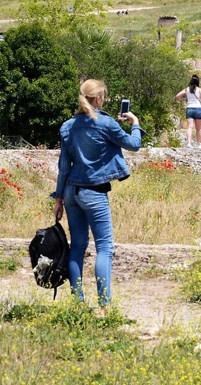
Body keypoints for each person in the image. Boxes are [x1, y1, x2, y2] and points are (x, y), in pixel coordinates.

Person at [51, 79, 142, 313]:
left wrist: (59, 198)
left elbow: (63, 166)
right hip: (93, 191)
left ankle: (77, 302)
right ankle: (104, 306)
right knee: (104, 248)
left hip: (71, 191)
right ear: (99, 98)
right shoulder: (106, 123)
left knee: (78, 246)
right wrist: (135, 123)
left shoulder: (68, 126)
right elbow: (134, 145)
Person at [176, 74, 201, 148]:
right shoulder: (199, 90)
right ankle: (199, 144)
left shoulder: (187, 89)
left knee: (190, 127)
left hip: (189, 108)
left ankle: (189, 144)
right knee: (198, 128)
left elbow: (178, 96)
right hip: (198, 109)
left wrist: (184, 99)